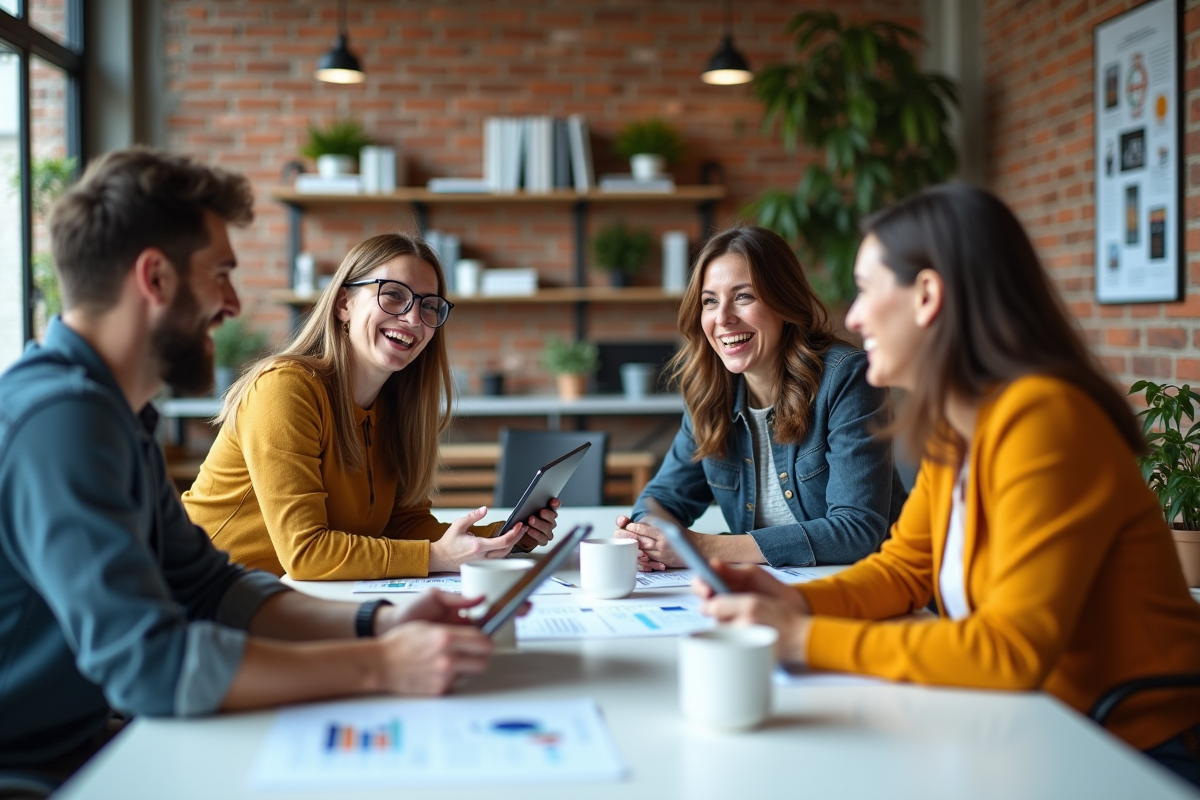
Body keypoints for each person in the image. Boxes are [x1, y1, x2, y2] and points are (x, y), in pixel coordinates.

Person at [0, 149, 497, 785]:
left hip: (92, 735)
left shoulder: (114, 415)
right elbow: (153, 666)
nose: (233, 303)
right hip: (34, 767)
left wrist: (380, 623)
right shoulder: (62, 421)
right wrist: (381, 665)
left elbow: (211, 587)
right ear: (155, 278)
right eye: (221, 274)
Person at [696, 185, 1200, 786]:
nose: (852, 316)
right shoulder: (959, 425)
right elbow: (904, 571)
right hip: (1030, 725)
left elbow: (1010, 652)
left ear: (928, 296)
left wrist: (803, 639)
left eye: (867, 289)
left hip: (1129, 749)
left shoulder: (1046, 421)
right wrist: (795, 602)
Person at [182, 233, 558, 580]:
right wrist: (436, 557)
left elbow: (404, 525)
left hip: (277, 596)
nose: (413, 318)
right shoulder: (285, 389)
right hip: (198, 595)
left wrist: (505, 537)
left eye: (429, 306)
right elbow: (306, 553)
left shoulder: (396, 409)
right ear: (344, 303)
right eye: (392, 295)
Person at [615, 225, 906, 569]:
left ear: (783, 301)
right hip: (767, 586)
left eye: (743, 297)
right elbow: (662, 498)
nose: (723, 318)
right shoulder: (709, 393)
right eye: (710, 301)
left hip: (868, 583)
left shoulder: (846, 377)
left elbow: (856, 530)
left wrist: (701, 547)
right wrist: (645, 536)